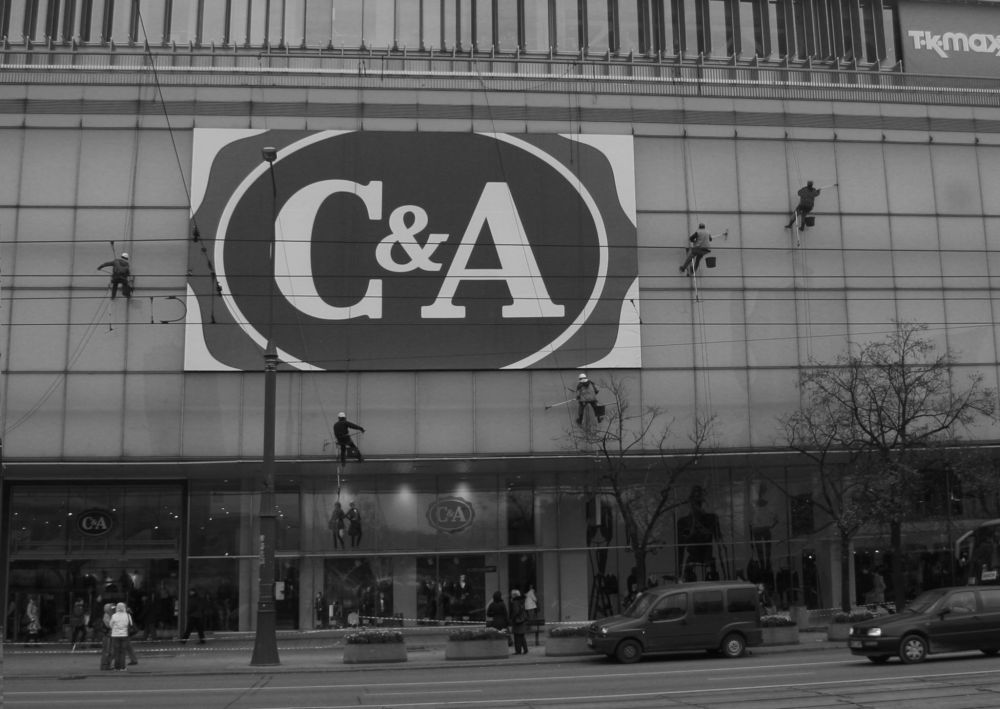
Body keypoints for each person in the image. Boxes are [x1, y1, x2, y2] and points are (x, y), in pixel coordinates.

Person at [109, 602, 131, 671]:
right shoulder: (127, 615)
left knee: (116, 652)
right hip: (124, 635)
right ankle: (122, 667)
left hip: (115, 635)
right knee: (123, 652)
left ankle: (116, 667)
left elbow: (110, 625)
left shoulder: (114, 615)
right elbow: (130, 623)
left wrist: (115, 628)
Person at [508, 589, 529, 655]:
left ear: (514, 595)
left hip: (517, 621)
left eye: (512, 594)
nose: (511, 596)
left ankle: (518, 651)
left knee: (517, 636)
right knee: (521, 636)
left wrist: (512, 618)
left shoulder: (515, 602)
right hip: (522, 620)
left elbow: (516, 611)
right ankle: (525, 649)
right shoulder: (521, 600)